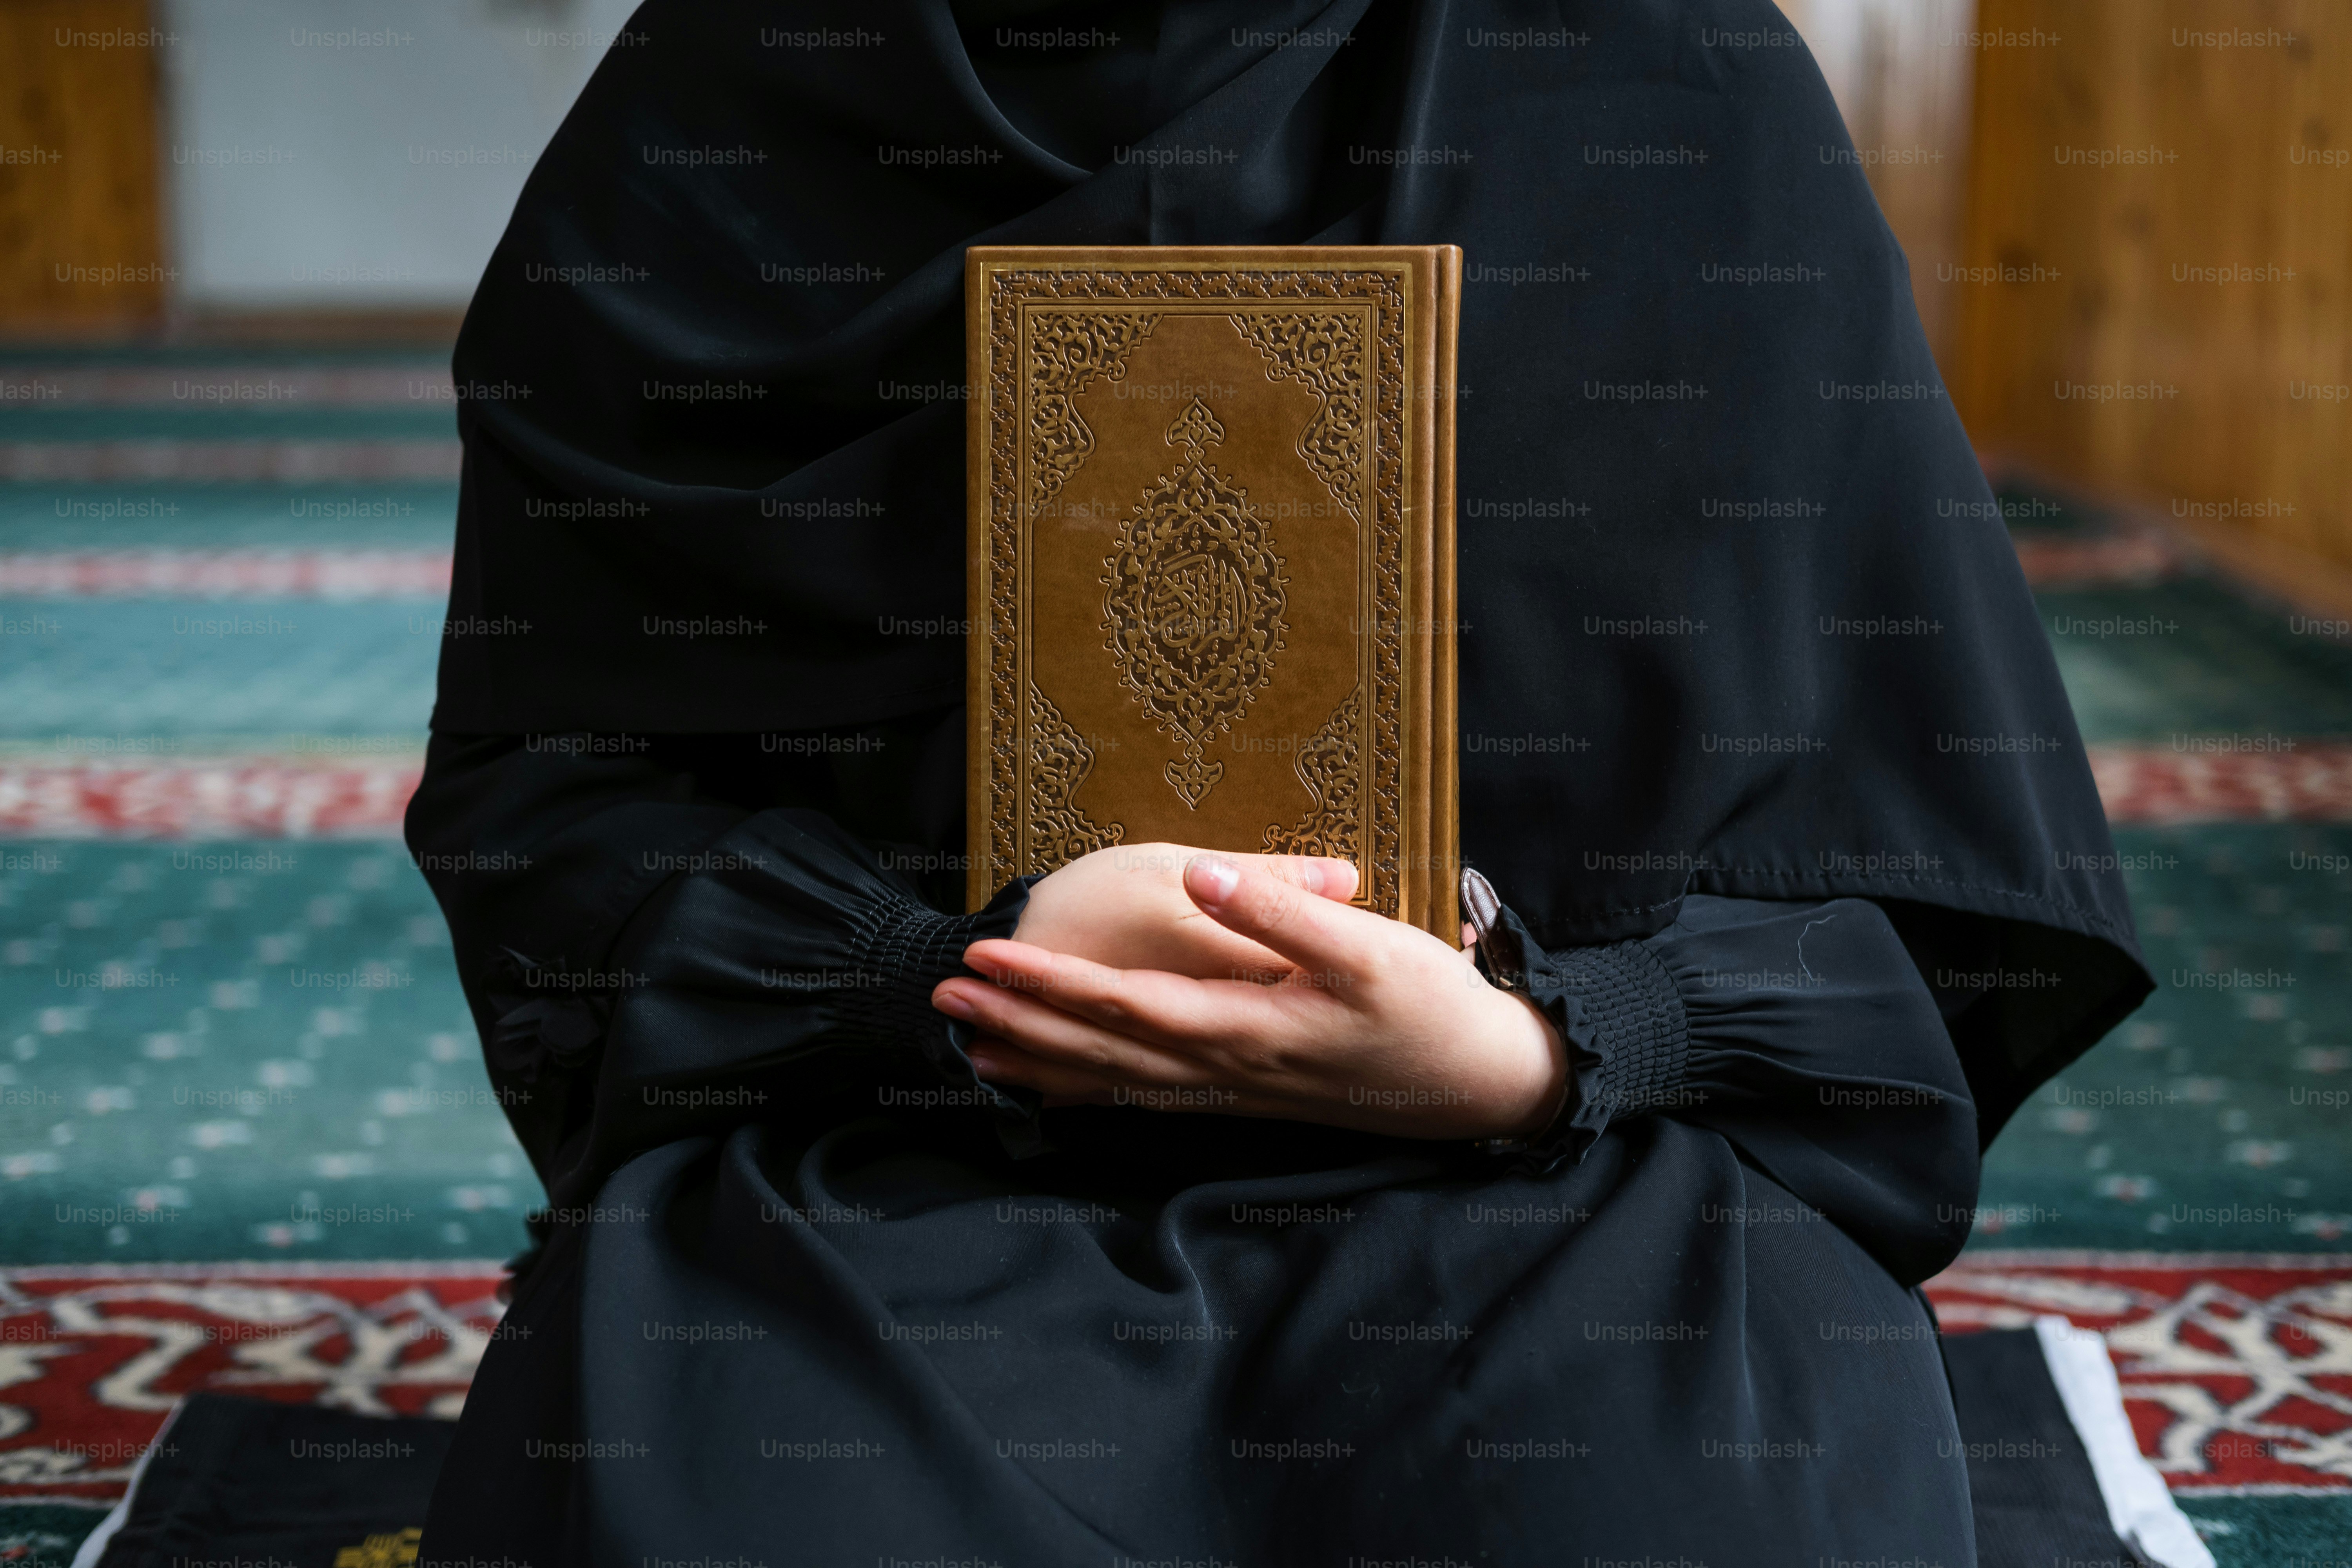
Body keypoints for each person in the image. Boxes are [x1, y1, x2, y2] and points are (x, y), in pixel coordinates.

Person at [408, 1, 2152, 1562]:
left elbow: (1891, 845)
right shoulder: (726, 95)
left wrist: (1544, 1049)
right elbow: (553, 807)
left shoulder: (1670, 75)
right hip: (883, 1142)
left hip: (1564, 1176)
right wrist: (931, 977)